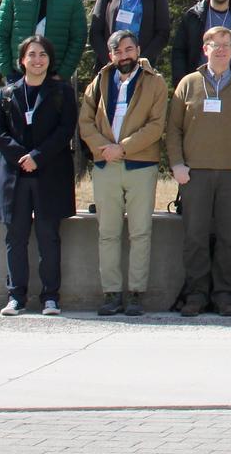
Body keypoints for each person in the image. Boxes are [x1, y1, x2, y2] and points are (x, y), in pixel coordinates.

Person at [166, 25, 231, 317]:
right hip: (194, 175)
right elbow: (173, 129)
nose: (221, 49)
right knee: (195, 237)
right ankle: (196, 295)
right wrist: (177, 165)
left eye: (226, 44)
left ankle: (224, 294)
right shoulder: (188, 83)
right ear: (205, 48)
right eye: (215, 44)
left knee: (228, 238)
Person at [78, 28, 166, 316]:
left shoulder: (155, 82)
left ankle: (136, 294)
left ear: (138, 51)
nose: (123, 56)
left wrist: (123, 148)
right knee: (108, 232)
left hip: (140, 164)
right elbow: (85, 121)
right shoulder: (100, 80)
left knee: (140, 232)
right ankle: (111, 293)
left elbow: (156, 125)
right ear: (110, 54)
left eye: (129, 50)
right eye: (117, 51)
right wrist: (104, 148)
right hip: (106, 164)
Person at [0, 36, 76, 316]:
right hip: (14, 175)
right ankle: (16, 296)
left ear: (50, 60)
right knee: (15, 237)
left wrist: (37, 157)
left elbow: (65, 130)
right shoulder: (7, 94)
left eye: (43, 55)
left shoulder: (62, 92)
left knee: (48, 236)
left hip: (49, 173)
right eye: (32, 55)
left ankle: (51, 297)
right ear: (22, 60)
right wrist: (22, 157)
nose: (37, 60)